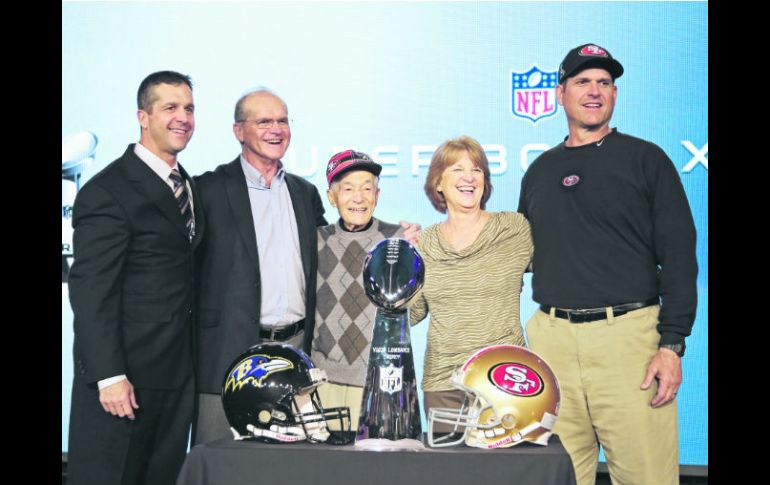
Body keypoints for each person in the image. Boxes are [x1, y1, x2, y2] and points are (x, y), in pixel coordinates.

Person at [192, 89, 419, 444]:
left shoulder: (303, 192)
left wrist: (399, 243)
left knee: (293, 461)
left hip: (296, 351)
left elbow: (341, 249)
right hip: (228, 350)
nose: (276, 129)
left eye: (282, 120)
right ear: (238, 131)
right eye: (263, 121)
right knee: (220, 457)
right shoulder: (207, 189)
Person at [518, 43, 697, 485]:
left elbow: (679, 256)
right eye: (582, 81)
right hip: (552, 342)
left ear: (614, 94)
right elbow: (519, 255)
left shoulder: (646, 159)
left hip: (629, 342)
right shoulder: (539, 171)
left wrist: (671, 345)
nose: (594, 91)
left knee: (646, 478)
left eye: (604, 82)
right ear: (560, 93)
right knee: (558, 476)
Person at [67, 71, 203, 485]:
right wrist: (109, 375)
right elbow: (92, 292)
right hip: (122, 383)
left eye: (189, 108)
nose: (183, 118)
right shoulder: (108, 190)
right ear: (143, 117)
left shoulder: (187, 185)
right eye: (170, 107)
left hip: (175, 381)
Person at [410, 135, 533, 431]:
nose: (469, 177)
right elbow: (412, 314)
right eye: (457, 169)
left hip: (506, 380)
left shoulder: (514, 229)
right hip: (444, 386)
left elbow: (561, 270)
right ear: (438, 183)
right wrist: (397, 266)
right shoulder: (424, 243)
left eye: (477, 170)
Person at [311, 149, 405, 430]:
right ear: (331, 196)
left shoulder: (397, 239)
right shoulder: (315, 240)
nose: (359, 198)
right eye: (348, 189)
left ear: (377, 194)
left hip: (379, 380)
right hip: (323, 381)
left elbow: (414, 309)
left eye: (367, 188)